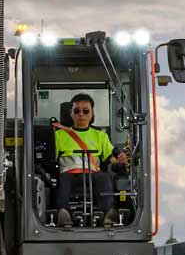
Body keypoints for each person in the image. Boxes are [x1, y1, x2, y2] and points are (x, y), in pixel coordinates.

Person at [53, 93, 128, 222]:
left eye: (85, 111)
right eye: (77, 111)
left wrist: (121, 160)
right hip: (69, 174)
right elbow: (51, 159)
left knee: (104, 177)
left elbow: (112, 160)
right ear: (71, 113)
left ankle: (109, 214)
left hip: (92, 175)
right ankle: (63, 213)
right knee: (62, 179)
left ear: (92, 114)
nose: (81, 114)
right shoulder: (59, 135)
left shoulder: (100, 136)